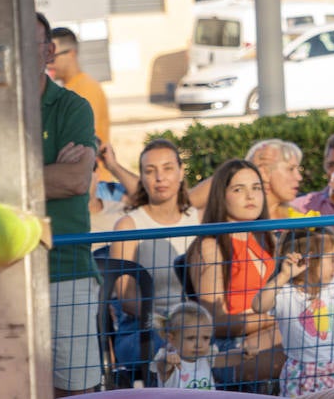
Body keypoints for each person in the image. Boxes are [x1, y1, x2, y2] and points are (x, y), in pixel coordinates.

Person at [0, 11, 100, 397]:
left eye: (27, 45)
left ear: (49, 51)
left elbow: (75, 181)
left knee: (77, 391)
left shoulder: (74, 107)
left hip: (65, 269)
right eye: (6, 47)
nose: (15, 56)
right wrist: (45, 174)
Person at [186, 158, 282, 386]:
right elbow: (213, 323)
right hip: (231, 346)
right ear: (222, 195)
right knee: (310, 347)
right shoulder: (210, 246)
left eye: (256, 188)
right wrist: (270, 320)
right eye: (239, 189)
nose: (251, 196)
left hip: (270, 333)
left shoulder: (265, 237)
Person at [109, 138, 201, 362]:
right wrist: (168, 323)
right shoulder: (129, 225)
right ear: (141, 178)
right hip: (142, 331)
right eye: (150, 171)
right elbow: (126, 298)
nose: (160, 178)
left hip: (195, 328)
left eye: (168, 168)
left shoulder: (197, 219)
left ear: (181, 172)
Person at [252, 227, 334, 396]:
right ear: (310, 261)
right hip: (299, 371)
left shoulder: (333, 286)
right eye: (333, 260)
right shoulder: (285, 292)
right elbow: (258, 306)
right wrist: (283, 275)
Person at [49, 27, 118, 202]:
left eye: (53, 56)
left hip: (95, 183)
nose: (49, 62)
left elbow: (86, 139)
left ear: (71, 53)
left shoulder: (86, 88)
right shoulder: (67, 89)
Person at [151, 301, 222, 389]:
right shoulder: (170, 361)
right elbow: (162, 366)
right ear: (171, 339)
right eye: (191, 338)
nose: (199, 344)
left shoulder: (207, 357)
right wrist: (167, 360)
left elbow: (227, 358)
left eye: (205, 338)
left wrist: (241, 354)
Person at [245, 138, 309, 219]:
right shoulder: (239, 221)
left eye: (298, 169)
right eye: (291, 169)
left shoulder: (297, 218)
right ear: (263, 172)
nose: (299, 177)